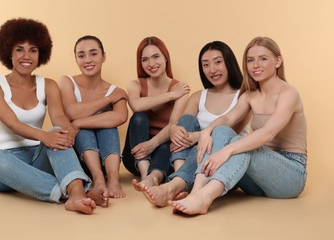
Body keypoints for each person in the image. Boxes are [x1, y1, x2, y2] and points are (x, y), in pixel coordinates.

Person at [169, 36, 307, 215]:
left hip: (290, 176)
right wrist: (207, 132)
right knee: (221, 130)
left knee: (242, 146)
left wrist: (227, 150)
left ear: (278, 61)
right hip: (257, 181)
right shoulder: (250, 95)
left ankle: (205, 198)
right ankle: (196, 192)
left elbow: (267, 133)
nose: (255, 65)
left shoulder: (289, 93)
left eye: (263, 59)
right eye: (250, 60)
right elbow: (227, 119)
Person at [0, 18, 97, 215]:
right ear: (8, 51)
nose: (26, 56)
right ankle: (66, 192)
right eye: (19, 49)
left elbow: (59, 117)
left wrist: (67, 131)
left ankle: (77, 195)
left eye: (33, 50)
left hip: (38, 159)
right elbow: (12, 123)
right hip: (5, 166)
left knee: (57, 132)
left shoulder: (49, 85)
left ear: (40, 54)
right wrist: (44, 136)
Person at [142, 41, 250, 207]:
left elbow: (229, 132)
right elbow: (182, 126)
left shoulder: (243, 96)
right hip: (192, 164)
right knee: (186, 121)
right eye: (205, 65)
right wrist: (174, 130)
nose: (212, 70)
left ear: (229, 62)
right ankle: (181, 180)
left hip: (222, 164)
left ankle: (173, 186)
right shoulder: (199, 96)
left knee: (210, 139)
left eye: (218, 62)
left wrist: (197, 137)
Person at [59, 35, 128, 207]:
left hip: (107, 159)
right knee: (89, 125)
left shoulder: (115, 90)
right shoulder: (67, 82)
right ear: (76, 59)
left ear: (103, 56)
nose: (87, 60)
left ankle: (113, 177)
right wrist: (107, 100)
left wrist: (79, 122)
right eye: (81, 55)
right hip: (79, 162)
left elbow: (120, 117)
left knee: (106, 125)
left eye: (93, 54)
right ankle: (98, 178)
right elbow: (71, 111)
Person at [122, 36, 190, 191]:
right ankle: (146, 174)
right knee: (139, 118)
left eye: (156, 57)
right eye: (145, 59)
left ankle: (153, 179)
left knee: (169, 143)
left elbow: (173, 124)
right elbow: (136, 105)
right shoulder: (135, 85)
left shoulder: (181, 88)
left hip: (163, 152)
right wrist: (171, 95)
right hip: (135, 154)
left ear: (165, 57)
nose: (151, 64)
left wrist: (153, 144)